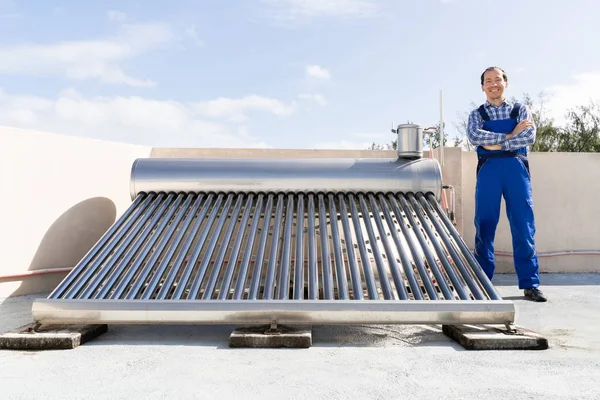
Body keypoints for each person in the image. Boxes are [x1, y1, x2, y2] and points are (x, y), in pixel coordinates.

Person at [467, 66, 547, 302]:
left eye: (498, 79)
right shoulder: (477, 114)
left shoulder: (520, 109)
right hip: (489, 170)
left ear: (506, 83)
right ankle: (482, 283)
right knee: (485, 224)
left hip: (516, 169)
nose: (494, 84)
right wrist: (511, 136)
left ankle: (530, 283)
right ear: (482, 86)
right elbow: (475, 137)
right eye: (488, 81)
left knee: (523, 225)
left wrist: (497, 144)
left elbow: (529, 137)